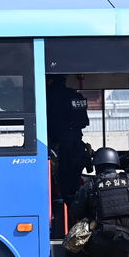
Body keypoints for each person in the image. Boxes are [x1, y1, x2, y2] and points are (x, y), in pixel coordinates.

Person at [46, 74, 91, 204]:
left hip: (58, 142)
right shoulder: (75, 95)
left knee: (60, 183)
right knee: (73, 183)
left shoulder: (47, 95)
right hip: (76, 143)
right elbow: (83, 121)